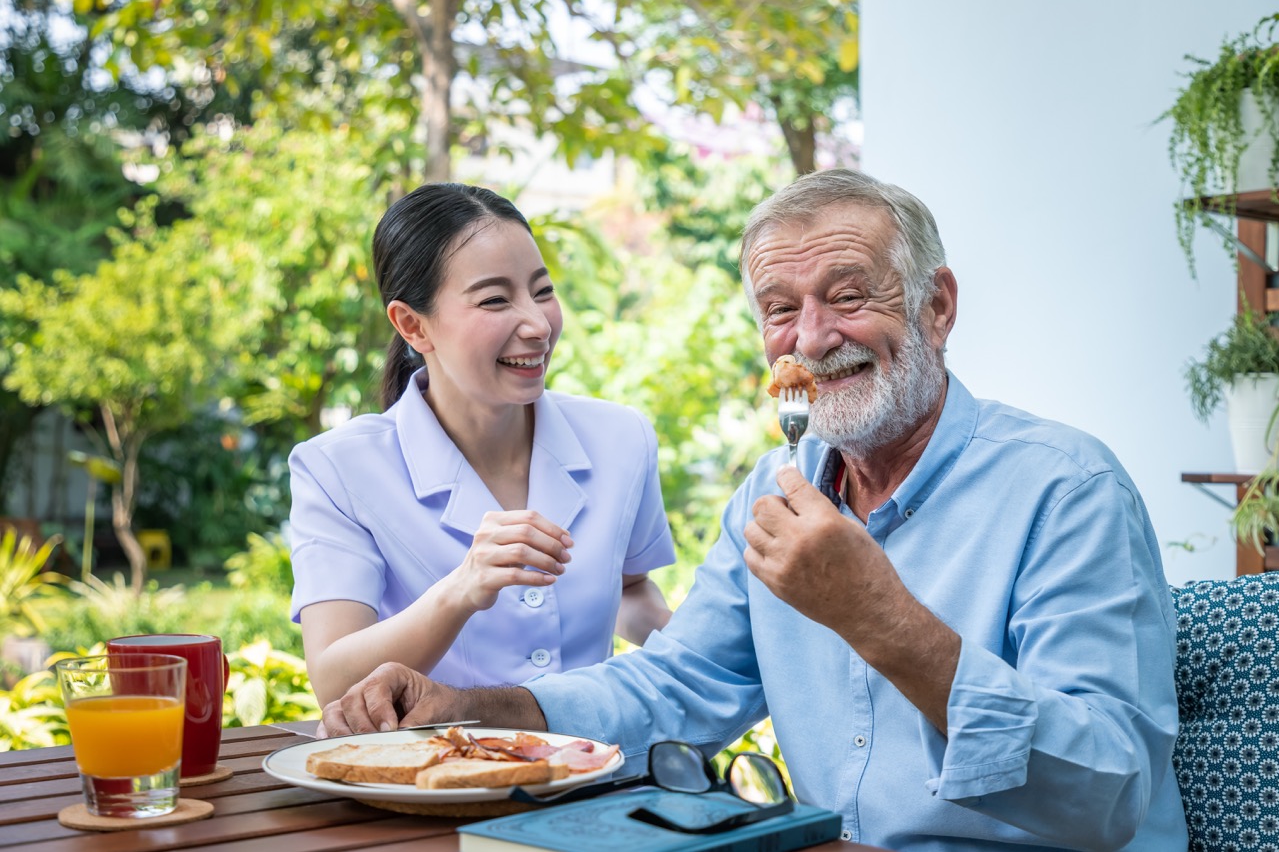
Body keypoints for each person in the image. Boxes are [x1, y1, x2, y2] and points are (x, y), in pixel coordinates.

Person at [317, 170, 1187, 850]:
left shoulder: (1067, 490)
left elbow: (1106, 792)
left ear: (938, 307)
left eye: (848, 296)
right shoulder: (775, 494)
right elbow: (677, 684)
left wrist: (878, 616)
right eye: (780, 310)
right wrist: (470, 706)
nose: (809, 339)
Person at [288, 183, 675, 706]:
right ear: (412, 325)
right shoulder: (338, 468)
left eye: (542, 291)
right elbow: (335, 681)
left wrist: (718, 652)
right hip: (431, 775)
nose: (538, 324)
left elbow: (630, 592)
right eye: (495, 300)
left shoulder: (622, 439)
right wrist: (462, 588)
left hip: (594, 769)